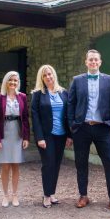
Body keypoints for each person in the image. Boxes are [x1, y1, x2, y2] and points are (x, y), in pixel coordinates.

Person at [67, 49, 110, 212]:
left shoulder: (109, 80)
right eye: (90, 60)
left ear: (100, 62)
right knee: (81, 163)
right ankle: (83, 195)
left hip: (102, 127)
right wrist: (72, 124)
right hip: (82, 128)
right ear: (86, 62)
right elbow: (71, 103)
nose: (93, 62)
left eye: (96, 60)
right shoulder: (77, 80)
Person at [31, 65, 73, 208]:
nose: (48, 77)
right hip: (46, 136)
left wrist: (69, 135)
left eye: (50, 74)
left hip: (61, 135)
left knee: (56, 164)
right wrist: (39, 137)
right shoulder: (38, 94)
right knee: (48, 164)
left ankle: (52, 192)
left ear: (54, 75)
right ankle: (47, 195)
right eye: (45, 75)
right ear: (41, 78)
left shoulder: (64, 93)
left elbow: (68, 116)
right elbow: (35, 117)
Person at [0, 71, 30, 208]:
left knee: (15, 165)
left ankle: (15, 194)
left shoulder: (22, 97)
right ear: (6, 82)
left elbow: (25, 118)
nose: (13, 83)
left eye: (15, 80)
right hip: (4, 133)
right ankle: (5, 195)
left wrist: (26, 137)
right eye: (10, 80)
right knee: (5, 166)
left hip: (17, 133)